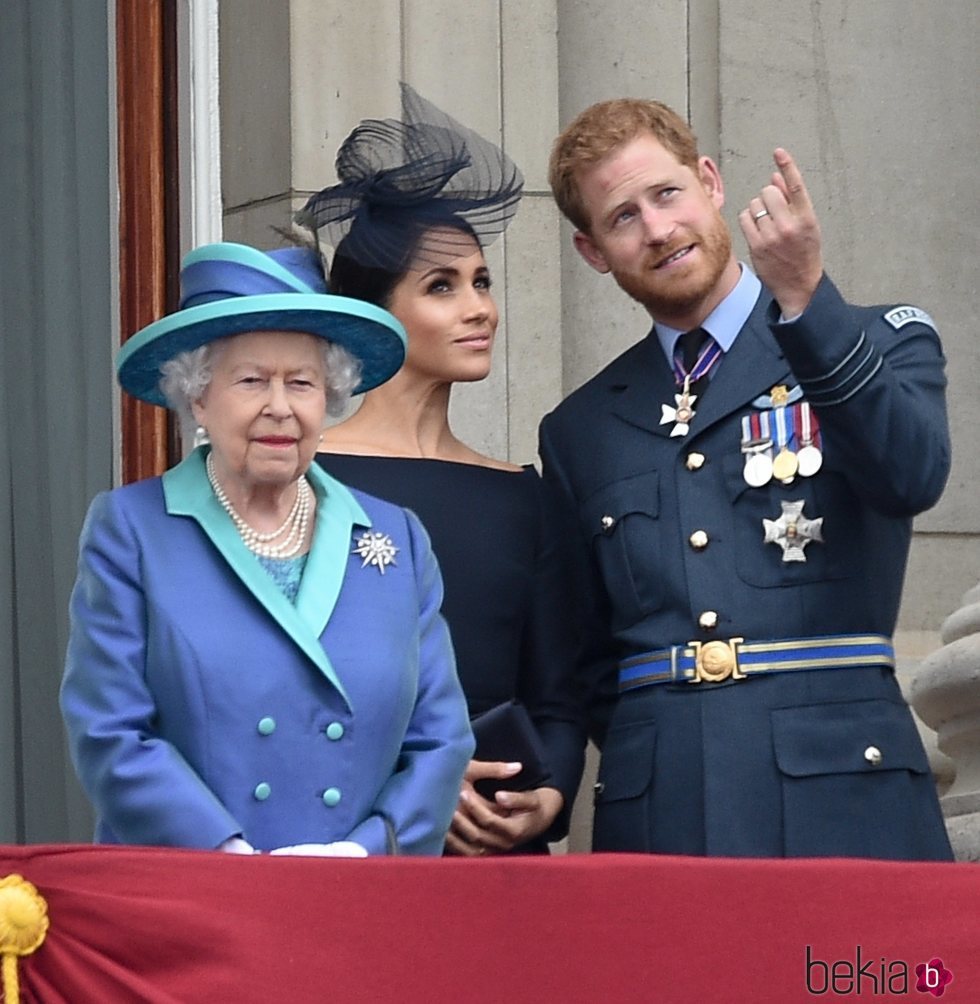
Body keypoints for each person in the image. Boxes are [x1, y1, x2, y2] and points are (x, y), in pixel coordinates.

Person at [539, 97, 953, 859]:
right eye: (622, 217)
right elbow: (589, 654)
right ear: (593, 251)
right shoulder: (580, 428)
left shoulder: (873, 339)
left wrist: (805, 300)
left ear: (709, 182)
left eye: (666, 194)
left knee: (866, 983)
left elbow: (911, 476)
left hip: (843, 801)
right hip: (662, 813)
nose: (658, 229)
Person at [60, 240, 475, 856]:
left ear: (328, 399)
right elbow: (111, 731)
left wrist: (363, 852)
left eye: (302, 383)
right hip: (198, 894)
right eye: (251, 380)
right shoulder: (132, 530)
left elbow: (440, 740)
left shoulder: (398, 539)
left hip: (358, 895)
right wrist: (228, 855)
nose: (279, 407)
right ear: (198, 396)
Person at [297, 83, 585, 855]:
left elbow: (560, 699)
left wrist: (549, 796)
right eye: (442, 287)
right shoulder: (298, 481)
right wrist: (412, 787)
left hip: (501, 871)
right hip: (347, 856)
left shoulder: (526, 497)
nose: (480, 308)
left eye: (482, 282)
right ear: (376, 316)